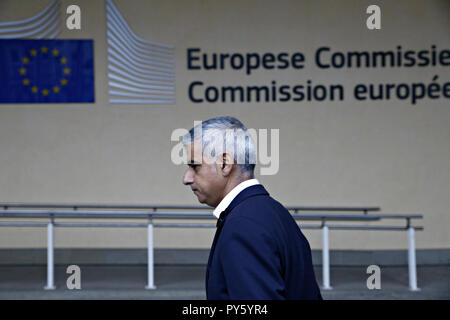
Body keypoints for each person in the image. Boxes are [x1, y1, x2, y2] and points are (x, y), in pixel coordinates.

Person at [181, 116, 322, 300]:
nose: (186, 178)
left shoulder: (243, 225)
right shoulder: (272, 212)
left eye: (195, 166)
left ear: (225, 164)